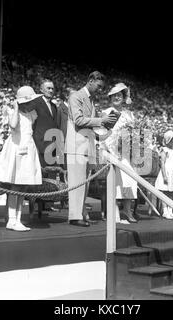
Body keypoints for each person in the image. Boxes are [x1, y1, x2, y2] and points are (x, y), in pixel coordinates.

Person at [65, 71, 118, 227]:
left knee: (85, 183)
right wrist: (101, 120)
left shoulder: (91, 100)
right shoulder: (76, 96)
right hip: (76, 146)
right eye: (99, 86)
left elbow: (91, 125)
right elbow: (79, 119)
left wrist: (107, 128)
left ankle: (80, 213)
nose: (100, 90)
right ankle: (75, 216)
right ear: (90, 81)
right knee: (77, 183)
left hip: (87, 145)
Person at [0, 86, 43, 231]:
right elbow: (14, 125)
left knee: (23, 185)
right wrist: (15, 107)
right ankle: (12, 219)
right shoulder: (13, 112)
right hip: (16, 149)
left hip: (28, 149)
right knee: (15, 185)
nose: (33, 103)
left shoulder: (32, 114)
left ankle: (18, 218)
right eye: (30, 101)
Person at [102, 83, 137, 223]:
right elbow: (103, 133)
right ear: (110, 98)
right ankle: (115, 211)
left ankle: (127, 211)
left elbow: (134, 132)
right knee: (116, 182)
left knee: (129, 181)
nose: (117, 97)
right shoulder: (107, 112)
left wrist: (130, 138)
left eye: (120, 95)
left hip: (127, 152)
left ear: (123, 97)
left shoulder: (129, 114)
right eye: (114, 95)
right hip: (111, 149)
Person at [155, 130, 173, 219]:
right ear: (168, 141)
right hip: (167, 172)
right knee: (165, 192)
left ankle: (170, 211)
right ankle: (165, 211)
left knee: (171, 193)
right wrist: (164, 175)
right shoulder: (164, 150)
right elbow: (163, 163)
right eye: (172, 140)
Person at [30, 79, 59, 167]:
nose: (51, 91)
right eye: (48, 88)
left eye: (52, 89)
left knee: (51, 177)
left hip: (52, 147)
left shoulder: (54, 106)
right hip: (39, 146)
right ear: (41, 90)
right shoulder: (35, 103)